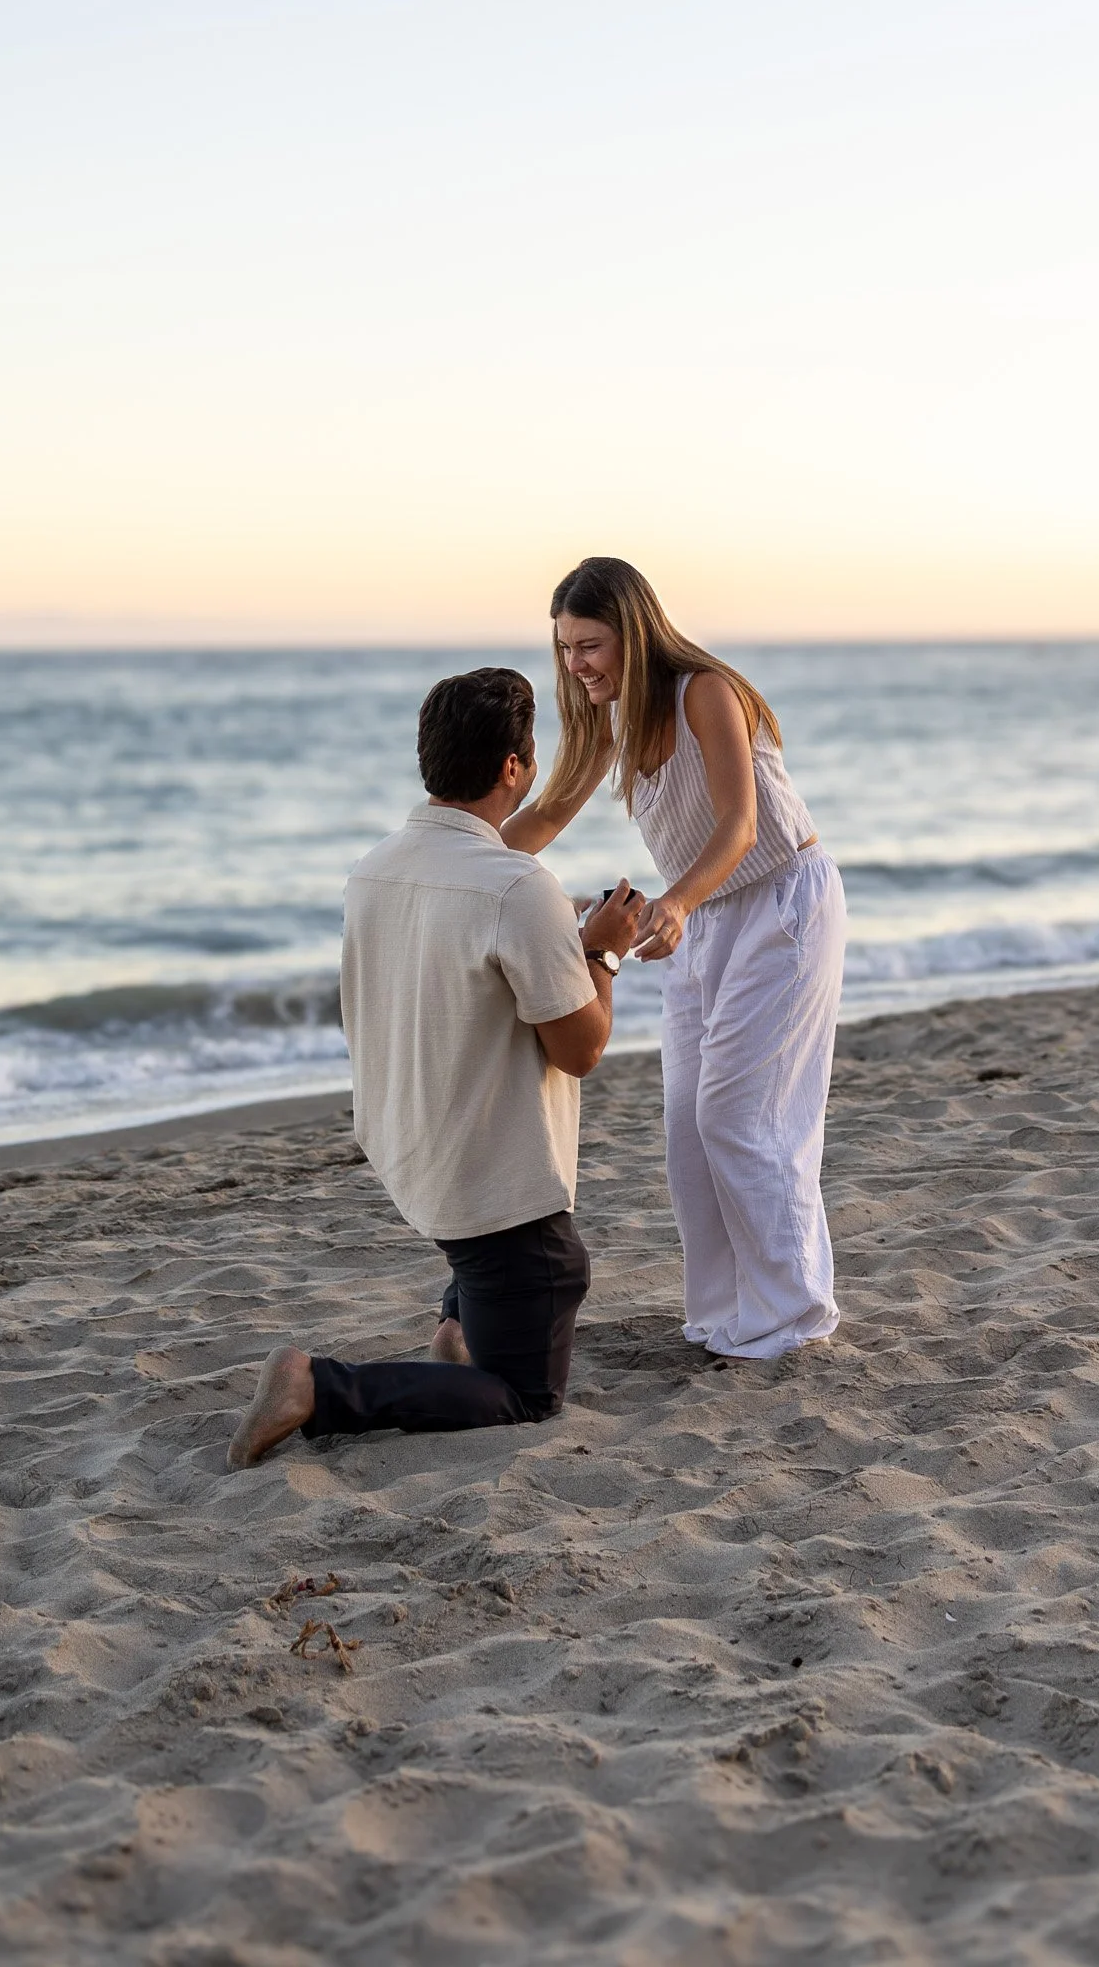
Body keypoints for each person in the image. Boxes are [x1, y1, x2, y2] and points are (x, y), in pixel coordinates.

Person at [228, 665, 643, 1468]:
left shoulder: (376, 867)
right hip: (489, 1188)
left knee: (492, 1282)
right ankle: (318, 1387)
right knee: (527, 1388)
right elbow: (580, 1049)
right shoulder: (517, 889)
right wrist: (609, 955)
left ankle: (456, 1328)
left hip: (411, 1150)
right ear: (512, 768)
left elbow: (481, 895)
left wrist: (574, 941)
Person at [502, 558, 844, 1361]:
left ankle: (792, 1315)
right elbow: (548, 809)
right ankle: (731, 1314)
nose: (574, 664)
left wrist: (676, 903)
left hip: (779, 904)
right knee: (688, 1130)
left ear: (633, 630)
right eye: (563, 648)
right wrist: (458, 860)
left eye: (588, 644)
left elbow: (738, 825)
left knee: (742, 1116)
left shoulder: (703, 692)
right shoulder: (607, 716)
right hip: (700, 918)